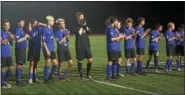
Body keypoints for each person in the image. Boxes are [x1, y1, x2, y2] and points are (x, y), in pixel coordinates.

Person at [75, 12, 93, 80]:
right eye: (81, 17)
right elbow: (78, 33)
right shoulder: (76, 25)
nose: (83, 18)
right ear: (78, 18)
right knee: (80, 60)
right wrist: (82, 26)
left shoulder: (85, 25)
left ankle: (87, 74)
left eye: (83, 17)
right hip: (80, 46)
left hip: (86, 46)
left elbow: (90, 32)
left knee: (90, 60)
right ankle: (81, 76)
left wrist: (86, 27)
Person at [27, 19, 45, 84]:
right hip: (32, 49)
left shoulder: (39, 29)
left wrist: (41, 23)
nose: (35, 24)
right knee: (32, 63)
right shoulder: (31, 29)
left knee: (36, 64)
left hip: (37, 49)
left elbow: (47, 27)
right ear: (32, 24)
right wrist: (30, 27)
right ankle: (30, 78)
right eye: (34, 23)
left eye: (36, 23)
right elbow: (29, 31)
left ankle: (35, 78)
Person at [42, 15, 58, 83]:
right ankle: (46, 79)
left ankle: (50, 77)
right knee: (48, 63)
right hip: (47, 49)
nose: (53, 22)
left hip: (52, 49)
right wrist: (47, 50)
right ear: (49, 21)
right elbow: (43, 42)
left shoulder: (51, 28)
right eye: (52, 20)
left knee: (55, 64)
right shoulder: (44, 30)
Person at [15, 19, 30, 86]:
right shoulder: (18, 30)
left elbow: (24, 38)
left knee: (21, 64)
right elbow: (18, 41)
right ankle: (18, 80)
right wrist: (25, 37)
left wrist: (27, 37)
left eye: (23, 22)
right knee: (19, 64)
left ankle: (19, 79)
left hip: (23, 49)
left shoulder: (22, 30)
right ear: (18, 23)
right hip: (19, 49)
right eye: (21, 22)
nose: (23, 23)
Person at [1, 19, 14, 88]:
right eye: (5, 25)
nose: (7, 27)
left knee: (11, 68)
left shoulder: (9, 33)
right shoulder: (0, 32)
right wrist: (8, 38)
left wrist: (12, 39)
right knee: (3, 68)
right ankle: (3, 83)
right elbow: (1, 42)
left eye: (8, 25)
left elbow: (11, 43)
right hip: (2, 53)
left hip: (8, 54)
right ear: (3, 26)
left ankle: (4, 81)